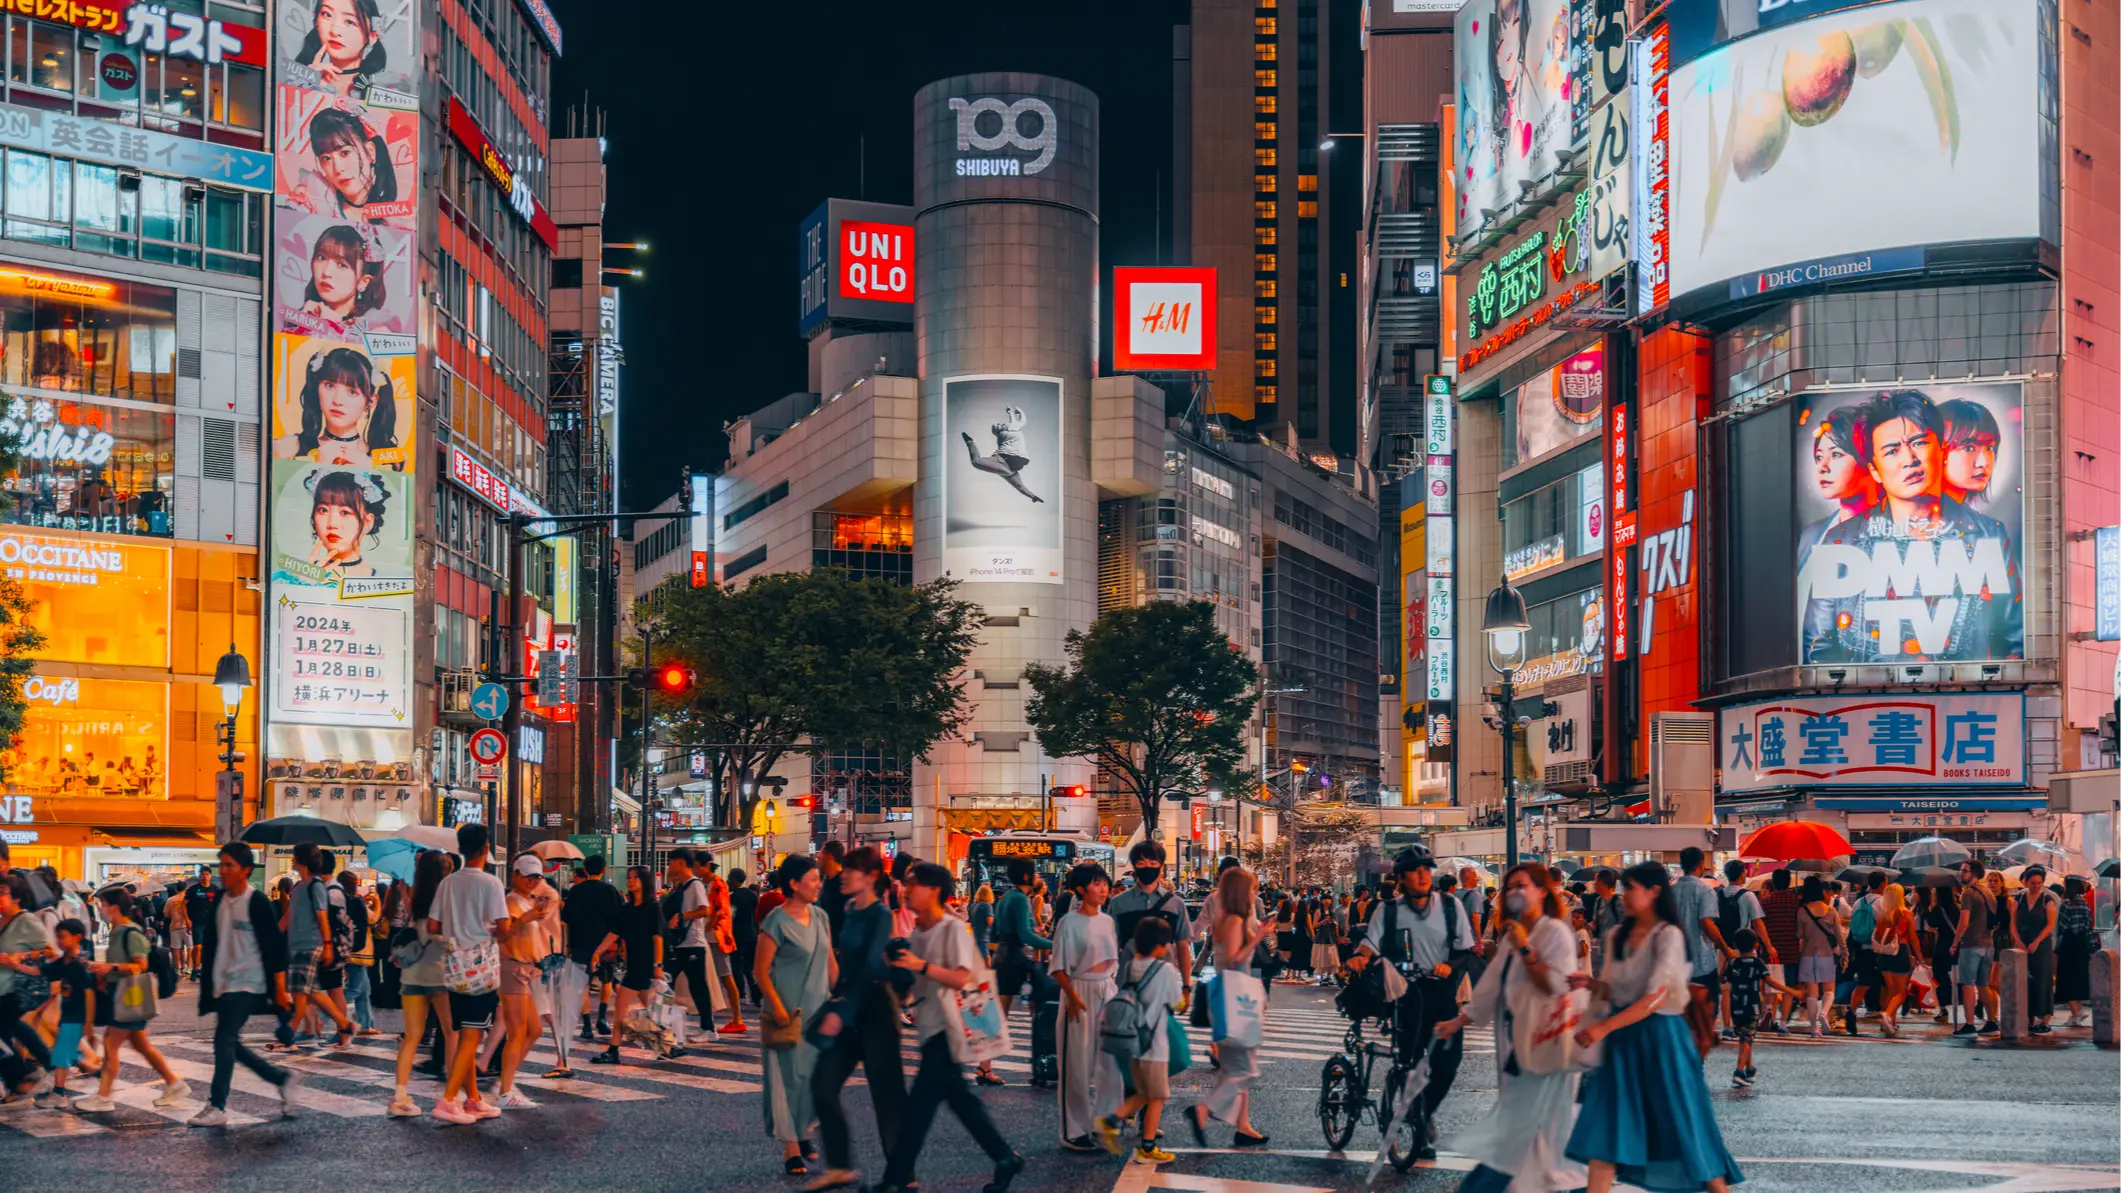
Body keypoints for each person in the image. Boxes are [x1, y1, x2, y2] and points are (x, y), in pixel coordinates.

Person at [1565, 860, 1744, 1193]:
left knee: (1684, 1128)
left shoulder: (1668, 935)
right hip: (1623, 1040)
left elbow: (1656, 997)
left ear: (1654, 892)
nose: (1624, 895)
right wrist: (1590, 985)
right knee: (1607, 1128)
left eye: (1631, 888)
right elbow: (1616, 990)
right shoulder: (1617, 935)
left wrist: (1604, 1028)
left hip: (1662, 1039)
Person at [1430, 862, 1586, 1193]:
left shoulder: (1554, 933)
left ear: (1542, 892)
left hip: (1547, 1048)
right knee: (1536, 1142)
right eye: (1509, 887)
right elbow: (1491, 987)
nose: (1513, 893)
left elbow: (1555, 985)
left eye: (1521, 886)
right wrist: (1458, 1021)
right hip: (1519, 1047)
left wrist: (1526, 948)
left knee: (1524, 1137)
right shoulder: (1513, 936)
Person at [871, 862, 1025, 1193]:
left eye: (913, 883)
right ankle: (1004, 1158)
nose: (905, 890)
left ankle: (894, 1179)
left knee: (918, 1110)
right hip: (931, 1026)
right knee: (962, 1103)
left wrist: (920, 965)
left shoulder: (951, 929)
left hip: (949, 1029)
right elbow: (917, 985)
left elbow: (963, 977)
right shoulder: (918, 932)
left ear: (934, 891)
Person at [1345, 849, 1479, 1156]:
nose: (1423, 876)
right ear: (1401, 877)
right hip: (1404, 995)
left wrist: (1450, 966)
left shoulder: (1450, 905)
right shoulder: (1389, 910)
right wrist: (1358, 958)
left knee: (1447, 1064)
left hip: (1443, 994)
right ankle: (1419, 1124)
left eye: (1426, 870)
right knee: (1410, 1064)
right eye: (1415, 870)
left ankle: (1423, 1113)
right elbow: (1370, 944)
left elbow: (1465, 950)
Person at [807, 845, 904, 1193]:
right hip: (849, 1005)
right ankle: (839, 1166)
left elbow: (871, 967)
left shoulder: (881, 914)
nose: (844, 875)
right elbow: (847, 964)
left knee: (886, 1095)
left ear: (872, 877)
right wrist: (836, 1002)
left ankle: (901, 1174)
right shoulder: (849, 909)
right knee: (822, 1084)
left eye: (852, 870)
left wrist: (842, 1012)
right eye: (844, 869)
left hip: (876, 1008)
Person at [192, 842, 297, 1127]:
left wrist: (280, 989)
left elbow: (274, 948)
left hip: (249, 982)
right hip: (224, 983)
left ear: (246, 870)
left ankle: (217, 1106)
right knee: (229, 1043)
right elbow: (214, 943)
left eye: (229, 865)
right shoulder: (220, 900)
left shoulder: (257, 901)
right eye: (221, 865)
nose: (222, 871)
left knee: (224, 1038)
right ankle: (280, 1078)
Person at [1185, 864, 1276, 1148]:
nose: (1255, 894)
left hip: (1226, 995)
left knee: (1232, 1066)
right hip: (1236, 996)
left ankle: (1243, 1126)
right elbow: (1236, 959)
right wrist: (1258, 938)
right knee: (1245, 1068)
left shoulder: (1225, 918)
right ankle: (1204, 1109)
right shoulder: (1235, 920)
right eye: (1252, 889)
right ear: (1241, 891)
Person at [73, 887, 187, 1113]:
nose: (100, 910)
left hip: (131, 994)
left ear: (114, 907)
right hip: (120, 993)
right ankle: (174, 1084)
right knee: (140, 1045)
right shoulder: (117, 931)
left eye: (103, 905)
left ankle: (104, 1097)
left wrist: (109, 967)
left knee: (110, 1043)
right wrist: (102, 971)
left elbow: (140, 966)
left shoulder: (130, 933)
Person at [756, 855, 833, 1176]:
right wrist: (776, 1006)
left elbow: (830, 964)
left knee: (816, 1079)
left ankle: (803, 1132)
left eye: (818, 878)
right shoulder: (775, 921)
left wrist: (841, 1001)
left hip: (819, 1011)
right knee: (786, 1081)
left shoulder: (821, 917)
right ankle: (791, 1148)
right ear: (794, 884)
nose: (818, 885)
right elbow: (760, 971)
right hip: (786, 1013)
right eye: (813, 879)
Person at [430, 823, 508, 1125]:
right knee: (472, 1037)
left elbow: (433, 926)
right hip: (481, 971)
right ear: (486, 849)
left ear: (460, 849)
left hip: (454, 970)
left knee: (465, 1034)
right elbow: (503, 929)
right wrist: (487, 929)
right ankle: (448, 1100)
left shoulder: (447, 883)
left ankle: (473, 1099)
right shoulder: (491, 883)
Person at [1093, 917, 1185, 1163]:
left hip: (1131, 1038)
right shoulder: (1166, 970)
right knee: (1158, 1096)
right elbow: (1176, 1002)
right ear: (1159, 947)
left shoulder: (1131, 966)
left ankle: (1113, 1119)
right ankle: (1146, 1146)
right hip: (1154, 1043)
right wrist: (1183, 1001)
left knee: (1146, 1092)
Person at [1052, 862, 1122, 1151]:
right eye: (1096, 884)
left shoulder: (1107, 921)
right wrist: (1072, 998)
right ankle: (1073, 1130)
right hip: (1078, 992)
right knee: (1076, 1065)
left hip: (1106, 990)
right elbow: (1058, 968)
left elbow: (1113, 961)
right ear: (1080, 889)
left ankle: (1103, 1121)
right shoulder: (1068, 922)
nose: (1103, 889)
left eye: (1104, 883)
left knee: (1110, 1063)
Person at [386, 849, 453, 1116]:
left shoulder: (418, 898)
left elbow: (413, 917)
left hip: (413, 973)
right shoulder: (446, 897)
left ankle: (400, 1097)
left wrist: (403, 890)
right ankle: (452, 1097)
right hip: (439, 972)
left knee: (412, 1035)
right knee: (452, 1032)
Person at [489, 855, 559, 1108]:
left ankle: (505, 1082)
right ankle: (505, 1090)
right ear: (515, 875)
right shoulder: (511, 901)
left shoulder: (528, 901)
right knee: (518, 1030)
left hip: (525, 970)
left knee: (534, 1029)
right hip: (512, 968)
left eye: (536, 877)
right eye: (528, 876)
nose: (532, 881)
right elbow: (503, 934)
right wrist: (526, 918)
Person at [276, 843, 355, 1051]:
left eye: (294, 856)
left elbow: (322, 918)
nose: (292, 859)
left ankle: (288, 1037)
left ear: (302, 860)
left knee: (299, 993)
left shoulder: (316, 886)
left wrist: (327, 945)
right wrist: (273, 935)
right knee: (311, 992)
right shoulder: (299, 887)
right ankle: (345, 1024)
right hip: (297, 945)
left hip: (310, 944)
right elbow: (289, 915)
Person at [276, 345, 401, 467]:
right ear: (317, 388)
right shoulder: (289, 449)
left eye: (352, 392)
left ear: (371, 401)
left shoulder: (388, 459)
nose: (337, 400)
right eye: (329, 386)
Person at [593, 866, 667, 1065]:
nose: (630, 880)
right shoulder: (626, 909)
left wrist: (658, 965)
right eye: (628, 877)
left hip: (645, 963)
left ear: (645, 881)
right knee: (651, 1008)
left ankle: (613, 1049)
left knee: (621, 1006)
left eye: (635, 877)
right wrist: (598, 952)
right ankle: (670, 1043)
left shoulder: (653, 907)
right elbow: (615, 932)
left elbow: (658, 938)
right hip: (634, 963)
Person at [1106, 840, 1193, 989]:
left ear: (1161, 867)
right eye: (1141, 863)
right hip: (1127, 985)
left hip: (1164, 985)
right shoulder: (1118, 903)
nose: (1147, 868)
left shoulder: (1176, 904)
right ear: (1134, 866)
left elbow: (1182, 945)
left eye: (1153, 863)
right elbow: (1111, 946)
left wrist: (1186, 985)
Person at [1669, 847, 1730, 1040]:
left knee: (1680, 1015)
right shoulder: (1705, 890)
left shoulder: (1670, 891)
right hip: (1701, 963)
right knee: (1705, 1016)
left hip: (1675, 963)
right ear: (1701, 864)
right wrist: (1725, 948)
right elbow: (1706, 923)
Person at [561, 854, 621, 1049]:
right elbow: (618, 919)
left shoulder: (576, 891)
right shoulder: (610, 890)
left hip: (580, 942)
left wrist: (568, 944)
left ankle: (586, 1024)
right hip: (605, 943)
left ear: (585, 870)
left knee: (583, 984)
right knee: (606, 980)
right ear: (603, 870)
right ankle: (602, 1017)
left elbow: (567, 919)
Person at [33, 919, 93, 1109]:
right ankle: (92, 1072)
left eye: (62, 937)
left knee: (62, 1054)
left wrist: (89, 1022)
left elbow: (89, 993)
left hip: (76, 1016)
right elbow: (41, 971)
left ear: (77, 937)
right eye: (57, 936)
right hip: (68, 1015)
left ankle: (60, 1094)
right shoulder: (65, 961)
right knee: (64, 1053)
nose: (58, 940)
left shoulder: (79, 964)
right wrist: (15, 964)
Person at [1724, 928, 1794, 1089]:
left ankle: (1749, 1069)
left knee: (1745, 1037)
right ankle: (1739, 1071)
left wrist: (1728, 962)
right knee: (1746, 1038)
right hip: (1752, 1006)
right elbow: (1769, 981)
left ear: (1735, 945)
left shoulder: (1733, 963)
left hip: (1736, 1006)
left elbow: (1723, 978)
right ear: (1756, 945)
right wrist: (1790, 991)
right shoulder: (1757, 963)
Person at [662, 849, 719, 1043]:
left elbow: (705, 910)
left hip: (693, 944)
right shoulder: (681, 886)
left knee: (697, 986)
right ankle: (662, 1023)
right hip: (680, 944)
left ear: (680, 862)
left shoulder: (695, 885)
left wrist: (682, 917)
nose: (669, 866)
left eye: (671, 862)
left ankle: (709, 1029)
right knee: (665, 982)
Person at [1713, 860, 1770, 1037]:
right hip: (1743, 949)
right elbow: (1757, 923)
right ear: (1742, 874)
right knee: (1747, 986)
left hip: (1722, 947)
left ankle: (1727, 1026)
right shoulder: (1748, 896)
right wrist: (1769, 946)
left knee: (1725, 988)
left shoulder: (1717, 894)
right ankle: (1744, 1024)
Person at [992, 858, 1053, 1018]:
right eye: (1035, 872)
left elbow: (995, 931)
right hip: (1014, 956)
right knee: (1043, 988)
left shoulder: (1007, 896)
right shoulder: (1020, 898)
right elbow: (1025, 934)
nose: (1037, 875)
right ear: (1026, 876)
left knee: (1002, 1009)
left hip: (1002, 955)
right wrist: (1054, 944)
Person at [297, 0, 391, 99]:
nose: (334, 31)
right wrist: (310, 83)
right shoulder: (300, 80)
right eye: (327, 15)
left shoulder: (381, 88)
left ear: (372, 36)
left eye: (350, 22)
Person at [961, 405, 1045, 504]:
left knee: (976, 462)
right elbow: (1022, 421)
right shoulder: (1009, 430)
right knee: (1019, 485)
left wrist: (1011, 414)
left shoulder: (1003, 433)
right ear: (1000, 428)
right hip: (1016, 463)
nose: (1002, 423)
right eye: (999, 424)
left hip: (1004, 461)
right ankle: (1033, 496)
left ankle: (970, 442)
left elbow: (1016, 423)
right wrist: (1014, 412)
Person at [1794, 874, 1843, 1037]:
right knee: (1829, 990)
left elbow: (1799, 934)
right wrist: (1845, 953)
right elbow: (1839, 936)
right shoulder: (1830, 911)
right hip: (1826, 955)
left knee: (1812, 994)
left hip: (1807, 955)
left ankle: (1814, 1028)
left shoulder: (1802, 911)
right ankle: (1824, 1013)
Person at [1952, 860, 1997, 1036]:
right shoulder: (1988, 892)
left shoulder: (1969, 893)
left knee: (1968, 985)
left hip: (1971, 944)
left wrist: (1955, 943)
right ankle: (1992, 1022)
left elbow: (1963, 922)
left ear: (1974, 873)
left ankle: (1969, 1024)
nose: (1961, 874)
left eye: (1965, 871)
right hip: (1988, 944)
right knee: (1983, 985)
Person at [2013, 865, 2060, 1034]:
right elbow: (2012, 923)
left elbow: (2050, 924)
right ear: (2026, 882)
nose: (2036, 886)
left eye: (2039, 883)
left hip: (2041, 944)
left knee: (2043, 980)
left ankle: (2045, 1020)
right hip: (2023, 942)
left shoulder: (2047, 899)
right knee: (2025, 981)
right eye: (2033, 883)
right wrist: (2017, 940)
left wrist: (2037, 941)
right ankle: (2029, 1018)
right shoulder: (2019, 898)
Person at [1841, 870, 1887, 1036]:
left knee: (1863, 983)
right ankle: (1885, 1018)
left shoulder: (1858, 902)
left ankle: (1852, 1010)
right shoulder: (1883, 902)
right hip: (1879, 949)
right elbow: (1885, 925)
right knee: (1885, 984)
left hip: (1861, 948)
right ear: (1883, 883)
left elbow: (1853, 922)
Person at [1870, 882, 1915, 1037]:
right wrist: (1920, 957)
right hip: (1899, 952)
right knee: (1901, 992)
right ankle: (1888, 1015)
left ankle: (1890, 1023)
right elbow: (1913, 938)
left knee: (1890, 989)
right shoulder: (1906, 914)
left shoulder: (1882, 915)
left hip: (1883, 954)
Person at [338, 869, 378, 1034]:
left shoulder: (342, 900)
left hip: (349, 948)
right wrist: (377, 902)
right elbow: (373, 918)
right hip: (359, 951)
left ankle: (366, 1024)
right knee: (354, 989)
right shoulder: (355, 901)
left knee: (364, 990)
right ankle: (323, 1015)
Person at [2057, 875, 2096, 1027]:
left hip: (2068, 945)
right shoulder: (2084, 903)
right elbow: (2089, 928)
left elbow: (2062, 927)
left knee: (2067, 979)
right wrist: (2091, 948)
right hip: (2081, 945)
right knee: (2079, 978)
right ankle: (2078, 1010)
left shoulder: (2065, 904)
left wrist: (2056, 947)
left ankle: (2076, 1013)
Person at [1923, 885, 1961, 1025]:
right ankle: (1957, 1000)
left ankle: (1943, 1008)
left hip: (1943, 945)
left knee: (1940, 975)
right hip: (1956, 945)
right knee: (1955, 976)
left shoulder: (1938, 909)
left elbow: (1931, 925)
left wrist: (1931, 907)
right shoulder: (1957, 908)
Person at [729, 868, 761, 1007]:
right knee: (749, 967)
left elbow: (731, 916)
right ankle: (755, 994)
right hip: (751, 934)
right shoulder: (752, 895)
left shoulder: (733, 897)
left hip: (737, 935)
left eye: (730, 878)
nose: (728, 880)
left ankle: (741, 994)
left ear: (736, 880)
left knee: (736, 966)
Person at [970, 884, 996, 958]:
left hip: (974, 936)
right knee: (986, 958)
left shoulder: (974, 905)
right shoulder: (987, 906)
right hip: (983, 937)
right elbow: (990, 921)